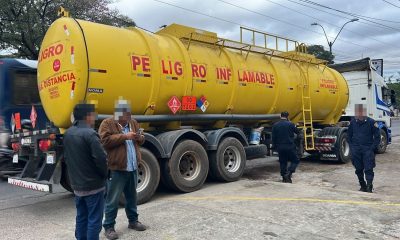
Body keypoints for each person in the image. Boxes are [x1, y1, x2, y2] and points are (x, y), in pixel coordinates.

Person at [99, 100, 146, 240]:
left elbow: (142, 140)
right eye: (126, 115)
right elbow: (104, 141)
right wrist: (125, 136)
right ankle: (109, 227)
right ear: (118, 114)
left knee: (132, 197)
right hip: (117, 168)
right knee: (112, 200)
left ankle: (133, 221)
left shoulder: (133, 122)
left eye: (129, 114)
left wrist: (139, 137)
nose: (129, 117)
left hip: (132, 167)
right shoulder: (107, 123)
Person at [64, 103, 108, 240]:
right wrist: (105, 176)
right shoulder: (90, 134)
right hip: (93, 186)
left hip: (77, 186)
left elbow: (67, 158)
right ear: (87, 116)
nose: (94, 118)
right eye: (93, 115)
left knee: (81, 217)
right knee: (94, 219)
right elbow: (101, 160)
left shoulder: (68, 133)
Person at [348, 104, 380, 193]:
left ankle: (369, 187)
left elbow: (377, 137)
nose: (359, 114)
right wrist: (352, 147)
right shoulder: (353, 122)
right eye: (357, 112)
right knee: (358, 168)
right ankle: (363, 185)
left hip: (367, 149)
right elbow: (349, 136)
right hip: (356, 150)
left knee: (368, 168)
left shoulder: (371, 122)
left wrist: (372, 148)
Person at [272, 111, 300, 183]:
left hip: (280, 147)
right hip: (289, 146)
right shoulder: (290, 124)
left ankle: (284, 178)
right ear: (287, 117)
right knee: (295, 160)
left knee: (283, 162)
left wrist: (274, 146)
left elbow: (273, 137)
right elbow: (297, 132)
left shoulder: (275, 125)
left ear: (280, 116)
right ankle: (289, 173)